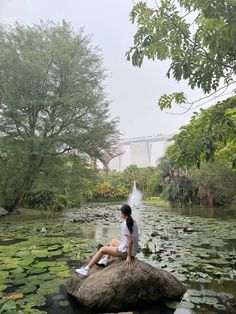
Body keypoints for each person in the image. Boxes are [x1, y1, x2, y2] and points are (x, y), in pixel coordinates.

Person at [75, 204, 139, 276]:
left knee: (102, 249)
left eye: (120, 213)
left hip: (126, 252)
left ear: (123, 214)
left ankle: (86, 269)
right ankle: (105, 259)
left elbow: (130, 241)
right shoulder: (133, 221)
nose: (120, 214)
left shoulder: (125, 225)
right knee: (113, 241)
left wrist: (128, 256)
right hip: (133, 251)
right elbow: (131, 240)